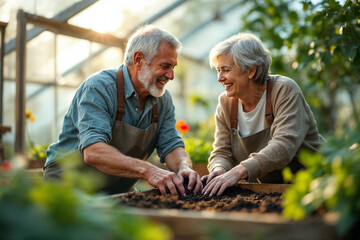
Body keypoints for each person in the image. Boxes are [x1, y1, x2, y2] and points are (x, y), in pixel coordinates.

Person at [43, 25, 202, 195]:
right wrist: (148, 170)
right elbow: (93, 152)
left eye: (173, 67)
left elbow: (170, 144)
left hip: (115, 189)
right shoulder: (99, 88)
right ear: (138, 60)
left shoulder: (162, 100)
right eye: (165, 66)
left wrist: (183, 167)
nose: (171, 75)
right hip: (70, 186)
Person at [201, 33, 325, 196]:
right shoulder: (226, 103)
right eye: (218, 70)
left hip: (316, 185)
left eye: (225, 70)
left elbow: (284, 145)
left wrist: (238, 172)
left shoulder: (284, 90)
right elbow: (222, 151)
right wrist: (219, 169)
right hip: (274, 192)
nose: (219, 78)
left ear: (251, 70)